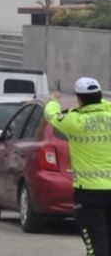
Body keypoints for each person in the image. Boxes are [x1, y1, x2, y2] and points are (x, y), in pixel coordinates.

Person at [45, 77, 111, 255]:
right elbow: (105, 105)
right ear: (99, 96)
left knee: (97, 246)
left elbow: (50, 114)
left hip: (89, 194)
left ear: (79, 99)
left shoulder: (74, 121)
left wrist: (53, 100)